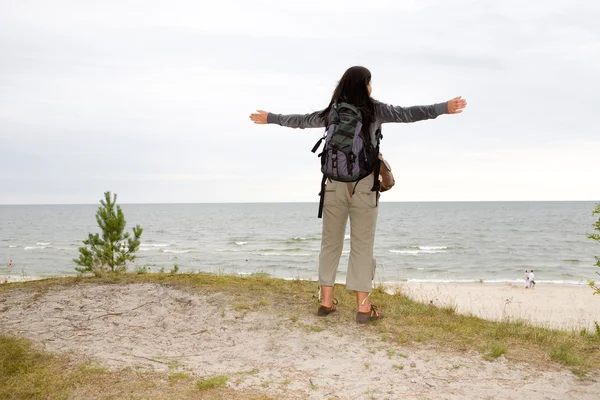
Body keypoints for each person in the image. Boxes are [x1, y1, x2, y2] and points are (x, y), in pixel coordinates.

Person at [249, 66, 467, 324]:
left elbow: (301, 121)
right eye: (370, 82)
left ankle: (326, 303)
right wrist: (444, 107)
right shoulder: (375, 109)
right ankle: (363, 309)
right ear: (365, 84)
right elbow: (410, 114)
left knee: (330, 244)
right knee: (362, 247)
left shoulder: (333, 111)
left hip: (332, 185)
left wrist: (270, 117)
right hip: (364, 187)